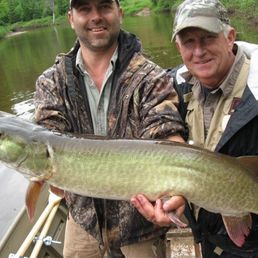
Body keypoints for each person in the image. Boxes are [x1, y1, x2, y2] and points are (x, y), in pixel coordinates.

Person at [34, 0, 187, 257]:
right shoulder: (52, 81)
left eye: (104, 6)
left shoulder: (152, 77)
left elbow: (165, 132)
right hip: (84, 222)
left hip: (140, 224)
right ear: (71, 18)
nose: (95, 17)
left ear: (120, 13)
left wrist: (178, 188)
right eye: (84, 9)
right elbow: (46, 138)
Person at [131, 0, 258, 257]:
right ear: (178, 47)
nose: (198, 51)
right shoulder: (173, 88)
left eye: (208, 38)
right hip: (210, 238)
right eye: (189, 42)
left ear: (230, 37)